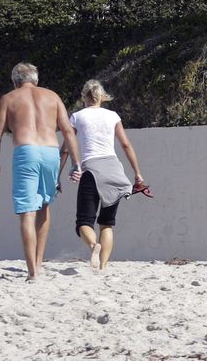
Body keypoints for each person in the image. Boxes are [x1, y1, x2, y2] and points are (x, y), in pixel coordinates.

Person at [0, 62, 81, 281]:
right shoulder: (52, 96)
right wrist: (77, 162)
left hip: (26, 151)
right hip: (50, 152)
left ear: (14, 81)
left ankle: (32, 273)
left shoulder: (9, 98)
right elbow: (67, 130)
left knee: (26, 212)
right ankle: (38, 262)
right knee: (44, 204)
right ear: (36, 79)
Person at [61, 79, 146, 273]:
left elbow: (65, 149)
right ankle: (104, 267)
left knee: (84, 221)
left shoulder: (77, 117)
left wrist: (57, 175)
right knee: (107, 224)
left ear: (84, 97)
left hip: (91, 170)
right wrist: (138, 175)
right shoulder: (112, 116)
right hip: (115, 171)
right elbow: (125, 145)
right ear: (101, 97)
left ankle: (93, 247)